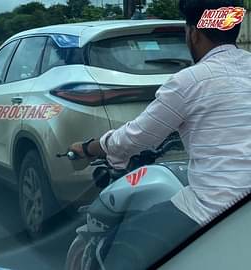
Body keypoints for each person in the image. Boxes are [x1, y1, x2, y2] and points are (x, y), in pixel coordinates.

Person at [69, 0, 251, 269]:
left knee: (119, 249)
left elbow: (134, 137)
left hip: (210, 207)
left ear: (194, 33)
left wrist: (89, 148)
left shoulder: (189, 80)